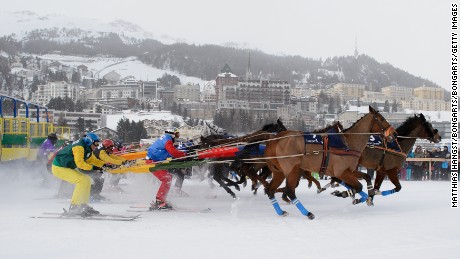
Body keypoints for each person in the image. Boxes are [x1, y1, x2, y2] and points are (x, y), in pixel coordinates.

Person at [51, 132, 108, 216]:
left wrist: (104, 165)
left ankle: (83, 205)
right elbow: (80, 164)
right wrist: (95, 168)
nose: (96, 147)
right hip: (58, 167)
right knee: (81, 180)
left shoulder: (87, 147)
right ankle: (74, 206)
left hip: (66, 167)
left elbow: (92, 160)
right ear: (89, 141)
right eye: (95, 144)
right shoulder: (79, 147)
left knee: (87, 180)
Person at [146, 128, 187, 210]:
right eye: (177, 135)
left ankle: (161, 199)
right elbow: (173, 152)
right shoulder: (168, 140)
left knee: (168, 178)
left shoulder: (165, 139)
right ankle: (159, 201)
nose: (177, 137)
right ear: (172, 134)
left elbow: (167, 153)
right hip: (152, 162)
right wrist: (183, 154)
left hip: (154, 160)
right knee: (166, 178)